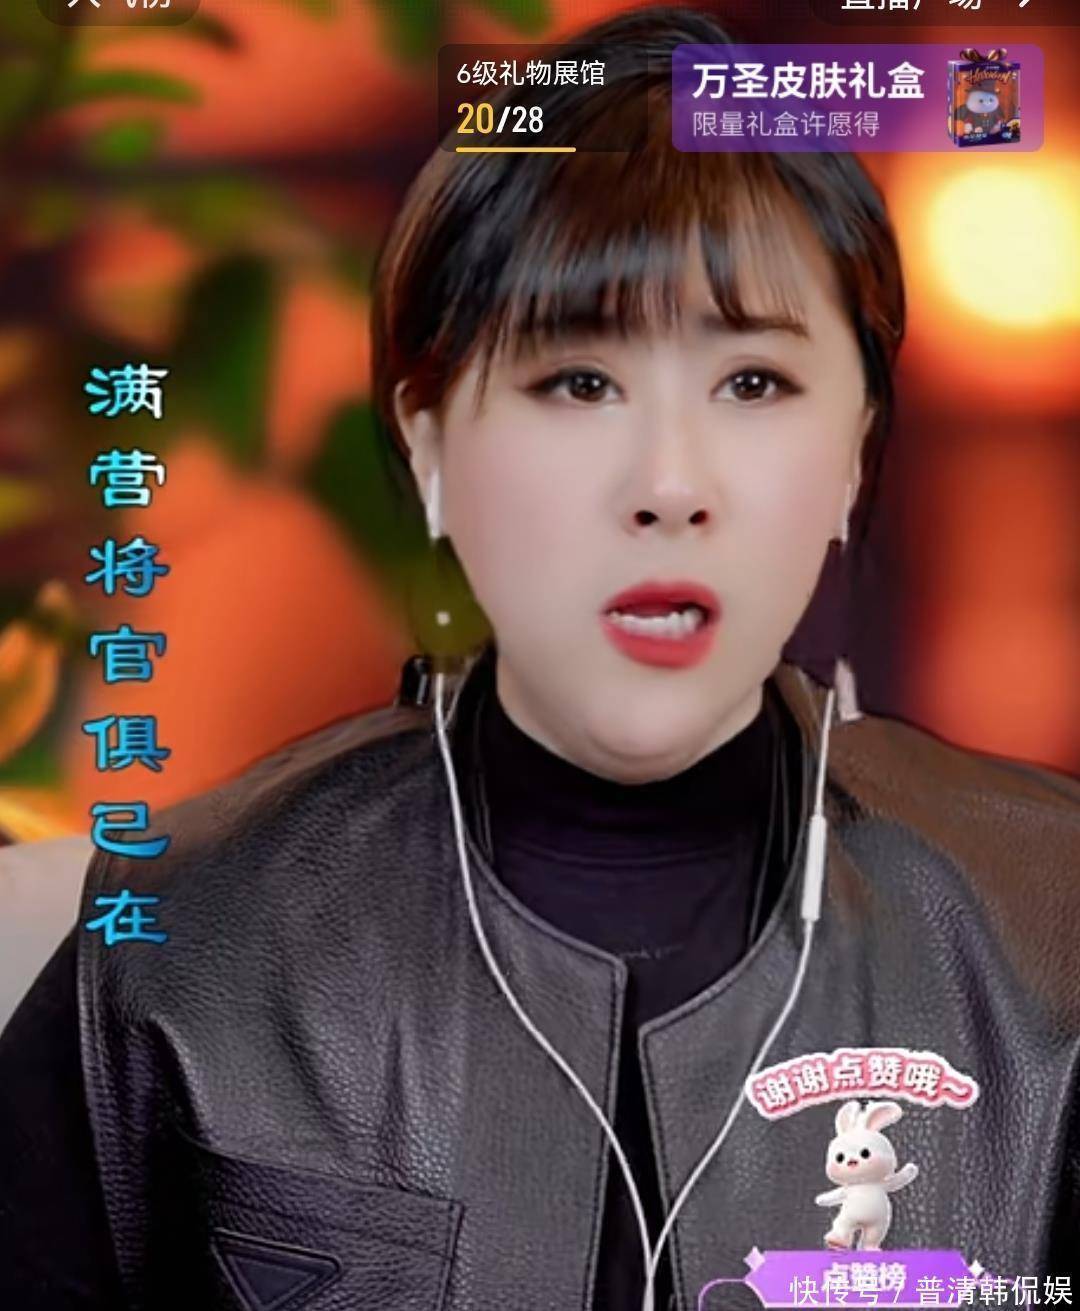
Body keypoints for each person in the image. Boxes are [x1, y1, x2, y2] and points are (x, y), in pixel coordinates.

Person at [1, 7, 1078, 1311]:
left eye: (753, 383)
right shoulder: (180, 941)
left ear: (854, 446)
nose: (668, 486)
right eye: (578, 382)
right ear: (429, 438)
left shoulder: (1053, 922)